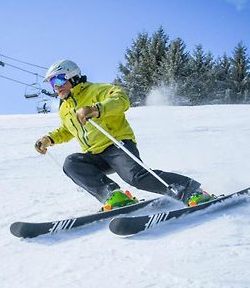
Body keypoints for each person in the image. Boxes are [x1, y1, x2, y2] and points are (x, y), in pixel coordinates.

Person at [34, 59, 215, 211]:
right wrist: (49, 139)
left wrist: (96, 109)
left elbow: (122, 100)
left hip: (117, 145)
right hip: (95, 155)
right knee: (72, 163)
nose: (55, 87)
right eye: (51, 84)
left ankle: (191, 191)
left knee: (136, 177)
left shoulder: (97, 90)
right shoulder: (65, 108)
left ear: (72, 76)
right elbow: (67, 129)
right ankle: (114, 196)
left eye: (57, 81)